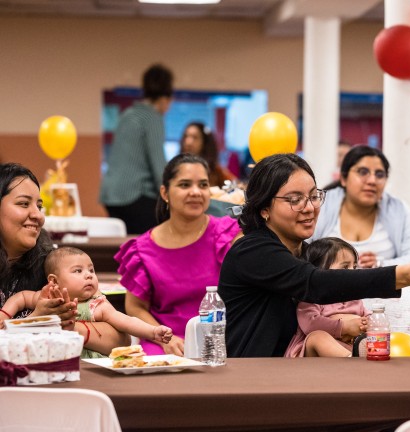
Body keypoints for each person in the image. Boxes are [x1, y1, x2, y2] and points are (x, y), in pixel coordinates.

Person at [218, 153, 410, 358]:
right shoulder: (252, 250)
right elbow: (316, 284)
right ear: (264, 209)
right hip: (251, 380)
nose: (309, 207)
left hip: (295, 375)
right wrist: (404, 274)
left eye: (313, 196)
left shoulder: (303, 253)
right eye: (294, 200)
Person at [115, 153, 241, 356]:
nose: (195, 192)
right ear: (165, 192)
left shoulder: (228, 235)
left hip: (221, 339)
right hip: (166, 344)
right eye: (184, 185)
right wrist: (164, 339)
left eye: (203, 185)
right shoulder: (142, 250)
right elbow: (135, 307)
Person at [0, 162, 129, 354]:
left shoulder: (53, 266)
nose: (38, 215)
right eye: (24, 204)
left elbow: (121, 340)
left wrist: (68, 326)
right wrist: (36, 320)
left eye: (39, 205)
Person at [0, 246, 173, 358]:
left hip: (89, 365)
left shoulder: (96, 305)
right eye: (78, 271)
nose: (88, 275)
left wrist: (153, 332)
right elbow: (21, 297)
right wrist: (4, 315)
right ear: (54, 281)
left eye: (91, 270)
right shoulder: (47, 297)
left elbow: (126, 321)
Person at [312, 146, 410, 271]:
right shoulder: (322, 204)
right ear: (343, 178)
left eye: (380, 174)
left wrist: (381, 264)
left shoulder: (398, 209)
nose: (372, 180)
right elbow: (301, 251)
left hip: (383, 288)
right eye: (363, 172)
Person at [100, 63, 174, 234]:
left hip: (111, 194)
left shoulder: (128, 114)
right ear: (165, 99)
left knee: (124, 245)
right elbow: (158, 166)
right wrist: (172, 193)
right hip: (134, 194)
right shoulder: (152, 118)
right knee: (151, 242)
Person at [284, 237, 369, 358]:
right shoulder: (312, 297)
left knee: (374, 336)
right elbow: (310, 324)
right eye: (345, 267)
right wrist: (344, 327)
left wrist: (367, 323)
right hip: (311, 354)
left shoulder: (354, 298)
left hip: (346, 347)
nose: (353, 273)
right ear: (319, 273)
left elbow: (367, 315)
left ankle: (357, 357)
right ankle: (351, 361)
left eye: (354, 267)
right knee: (317, 337)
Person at [180, 122, 237, 188]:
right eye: (186, 136)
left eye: (195, 137)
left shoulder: (215, 170)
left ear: (204, 142)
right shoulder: (177, 167)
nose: (188, 142)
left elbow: (235, 184)